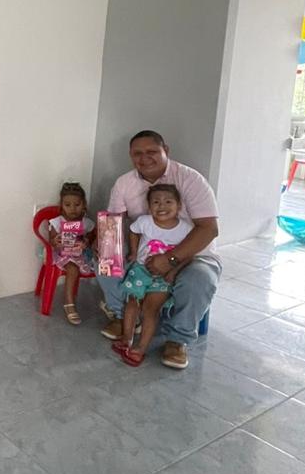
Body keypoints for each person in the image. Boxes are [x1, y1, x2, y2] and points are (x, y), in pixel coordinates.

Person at [99, 130, 221, 370]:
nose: (144, 158)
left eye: (152, 151)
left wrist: (171, 259)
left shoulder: (190, 180)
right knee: (105, 258)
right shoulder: (124, 182)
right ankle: (123, 317)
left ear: (166, 150)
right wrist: (104, 242)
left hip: (192, 254)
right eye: (137, 153)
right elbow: (113, 222)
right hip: (143, 252)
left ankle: (177, 339)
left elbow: (209, 229)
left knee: (199, 279)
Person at [114, 184, 193, 367]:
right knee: (132, 303)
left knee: (151, 309)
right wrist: (134, 252)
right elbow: (133, 232)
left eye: (168, 202)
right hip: (140, 270)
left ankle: (140, 349)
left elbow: (189, 254)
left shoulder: (186, 229)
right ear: (149, 207)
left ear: (179, 206)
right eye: (156, 202)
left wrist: (173, 271)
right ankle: (126, 339)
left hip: (164, 277)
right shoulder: (145, 222)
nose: (161, 206)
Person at [47, 181, 96, 326]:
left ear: (84, 204)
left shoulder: (87, 223)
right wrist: (57, 241)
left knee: (103, 264)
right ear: (61, 205)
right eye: (67, 205)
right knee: (72, 268)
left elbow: (91, 239)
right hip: (62, 254)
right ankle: (69, 303)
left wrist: (86, 241)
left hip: (81, 254)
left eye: (77, 204)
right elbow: (51, 241)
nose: (73, 209)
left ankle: (112, 305)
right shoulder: (57, 222)